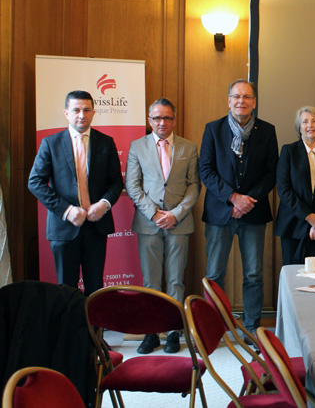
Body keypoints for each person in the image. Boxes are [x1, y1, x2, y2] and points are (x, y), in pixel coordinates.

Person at [199, 79, 278, 338]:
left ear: (254, 101)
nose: (241, 101)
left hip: (253, 213)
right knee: (214, 274)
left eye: (246, 97)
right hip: (220, 212)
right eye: (236, 96)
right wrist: (233, 198)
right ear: (229, 100)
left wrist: (247, 201)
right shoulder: (213, 129)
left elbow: (271, 173)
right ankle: (215, 327)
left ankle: (253, 327)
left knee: (254, 274)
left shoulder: (266, 131)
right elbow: (206, 171)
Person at [28, 90, 123, 295]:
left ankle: (93, 328)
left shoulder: (106, 142)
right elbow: (35, 182)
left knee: (95, 287)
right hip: (64, 227)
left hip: (96, 226)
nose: (82, 115)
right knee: (66, 289)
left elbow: (116, 182)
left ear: (93, 112)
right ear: (66, 113)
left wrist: (104, 204)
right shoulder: (50, 143)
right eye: (76, 110)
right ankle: (69, 328)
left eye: (87, 110)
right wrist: (67, 210)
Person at [126, 98, 199, 354]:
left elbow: (194, 185)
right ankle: (151, 332)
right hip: (148, 223)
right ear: (149, 120)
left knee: (176, 280)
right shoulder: (137, 146)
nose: (162, 123)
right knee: (151, 282)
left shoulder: (189, 148)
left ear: (174, 120)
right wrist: (154, 213)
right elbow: (132, 185)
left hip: (179, 223)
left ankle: (173, 331)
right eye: (157, 118)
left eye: (167, 118)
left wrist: (176, 214)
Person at [274, 106, 315, 265]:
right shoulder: (288, 151)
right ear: (299, 127)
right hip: (293, 225)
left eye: (314, 121)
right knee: (293, 276)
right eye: (305, 122)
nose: (310, 125)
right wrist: (309, 217)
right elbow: (284, 189)